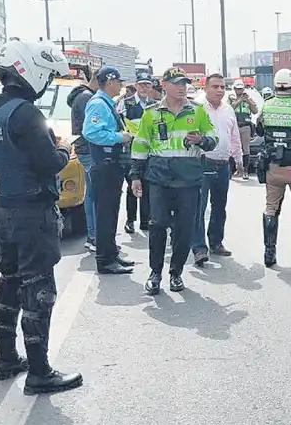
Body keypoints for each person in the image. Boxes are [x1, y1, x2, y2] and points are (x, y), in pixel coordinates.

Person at [0, 38, 83, 396]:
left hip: (5, 208)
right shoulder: (26, 113)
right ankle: (39, 372)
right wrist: (63, 149)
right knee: (38, 289)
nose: (48, 83)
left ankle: (6, 358)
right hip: (32, 212)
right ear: (31, 71)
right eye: (47, 76)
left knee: (9, 281)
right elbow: (49, 163)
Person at [131, 67, 217, 295]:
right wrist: (135, 176)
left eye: (184, 83)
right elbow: (140, 145)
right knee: (157, 225)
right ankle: (155, 273)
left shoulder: (197, 111)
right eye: (177, 83)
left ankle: (176, 272)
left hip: (188, 180)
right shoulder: (151, 114)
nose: (181, 87)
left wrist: (201, 140)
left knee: (184, 229)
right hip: (159, 179)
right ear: (164, 85)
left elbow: (213, 139)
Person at [82, 65, 136, 275]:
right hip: (104, 164)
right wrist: (119, 137)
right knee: (105, 214)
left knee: (111, 212)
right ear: (110, 82)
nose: (121, 85)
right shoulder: (98, 104)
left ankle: (111, 254)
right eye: (118, 82)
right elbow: (91, 132)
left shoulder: (106, 103)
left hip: (111, 164)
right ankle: (105, 260)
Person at [257, 68, 291, 267]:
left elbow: (260, 130)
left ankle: (269, 253)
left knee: (271, 208)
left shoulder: (267, 104)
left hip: (272, 166)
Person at [192, 73, 243, 265]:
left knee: (219, 206)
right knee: (199, 206)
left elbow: (234, 136)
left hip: (223, 164)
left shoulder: (228, 109)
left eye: (222, 87)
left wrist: (239, 160)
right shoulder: (196, 108)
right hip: (202, 163)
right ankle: (199, 248)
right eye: (215, 87)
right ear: (205, 88)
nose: (220, 90)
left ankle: (216, 242)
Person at [66, 71, 99, 250]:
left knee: (92, 193)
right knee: (94, 194)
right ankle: (94, 236)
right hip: (88, 149)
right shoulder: (86, 98)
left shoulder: (84, 96)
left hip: (86, 149)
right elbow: (93, 129)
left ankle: (94, 235)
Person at [122, 75, 156, 233]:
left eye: (147, 85)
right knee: (132, 186)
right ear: (136, 86)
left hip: (149, 151)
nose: (144, 88)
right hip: (131, 150)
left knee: (147, 186)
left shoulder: (154, 105)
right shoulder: (126, 103)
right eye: (141, 85)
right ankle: (130, 220)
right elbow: (119, 123)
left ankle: (145, 220)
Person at [229, 80, 257, 179]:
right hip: (234, 126)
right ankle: (232, 170)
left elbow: (255, 111)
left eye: (241, 89)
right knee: (233, 148)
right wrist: (240, 100)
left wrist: (248, 101)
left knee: (246, 149)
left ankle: (245, 171)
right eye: (238, 89)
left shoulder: (248, 98)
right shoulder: (231, 98)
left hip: (245, 126)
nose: (240, 91)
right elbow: (229, 109)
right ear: (234, 89)